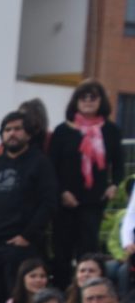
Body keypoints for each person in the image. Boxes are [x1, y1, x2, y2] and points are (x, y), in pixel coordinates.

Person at [0, 112, 57, 303]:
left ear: (28, 134)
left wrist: (28, 235)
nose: (12, 134)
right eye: (7, 130)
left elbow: (49, 203)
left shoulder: (40, 163)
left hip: (20, 246)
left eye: (17, 129)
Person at [48, 81, 123, 287]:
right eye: (84, 97)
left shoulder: (111, 130)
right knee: (62, 250)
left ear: (101, 101)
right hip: (65, 200)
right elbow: (52, 166)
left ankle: (87, 295)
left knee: (88, 251)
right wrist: (61, 192)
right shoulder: (62, 131)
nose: (88, 102)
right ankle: (63, 292)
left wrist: (114, 185)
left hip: (94, 200)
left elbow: (118, 164)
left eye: (93, 97)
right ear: (76, 101)